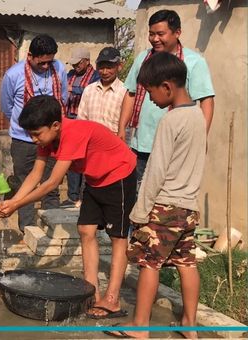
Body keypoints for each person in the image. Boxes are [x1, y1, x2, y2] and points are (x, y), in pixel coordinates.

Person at [0, 95, 136, 319]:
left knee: (117, 237)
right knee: (85, 230)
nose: (34, 139)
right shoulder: (48, 140)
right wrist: (13, 202)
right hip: (95, 178)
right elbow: (35, 175)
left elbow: (51, 182)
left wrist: (17, 203)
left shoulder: (73, 134)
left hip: (118, 174)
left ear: (55, 125)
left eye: (37, 134)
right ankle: (90, 292)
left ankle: (112, 299)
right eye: (30, 134)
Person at [105, 52, 206, 339]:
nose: (148, 99)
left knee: (149, 263)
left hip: (164, 207)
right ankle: (189, 326)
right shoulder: (198, 115)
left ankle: (140, 328)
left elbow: (155, 172)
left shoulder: (171, 121)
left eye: (149, 92)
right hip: (188, 207)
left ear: (167, 87)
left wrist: (139, 212)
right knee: (186, 263)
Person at [117, 10, 214, 184]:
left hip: (176, 145)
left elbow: (206, 101)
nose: (155, 39)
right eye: (151, 34)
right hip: (141, 145)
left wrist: (201, 136)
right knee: (140, 193)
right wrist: (122, 128)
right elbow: (130, 93)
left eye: (160, 34)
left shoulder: (194, 62)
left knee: (169, 195)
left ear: (177, 33)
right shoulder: (142, 58)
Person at [0, 34, 66, 233]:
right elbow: (7, 107)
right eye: (41, 63)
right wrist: (31, 127)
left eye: (49, 62)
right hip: (23, 139)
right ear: (30, 56)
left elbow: (62, 98)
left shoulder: (59, 69)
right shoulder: (13, 75)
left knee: (51, 186)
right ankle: (27, 231)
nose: (46, 67)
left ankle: (53, 230)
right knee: (24, 185)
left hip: (52, 140)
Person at [63, 47, 100, 207]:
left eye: (78, 64)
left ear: (86, 61)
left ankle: (85, 196)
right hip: (70, 119)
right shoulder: (70, 75)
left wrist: (74, 89)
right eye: (73, 64)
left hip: (87, 121)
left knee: (87, 160)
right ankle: (72, 196)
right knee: (72, 160)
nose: (75, 67)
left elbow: (93, 91)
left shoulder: (96, 76)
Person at [76, 47, 126, 134]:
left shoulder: (124, 92)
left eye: (109, 67)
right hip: (92, 142)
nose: (104, 72)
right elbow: (81, 120)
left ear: (119, 67)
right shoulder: (89, 90)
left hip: (114, 143)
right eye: (101, 68)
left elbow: (127, 127)